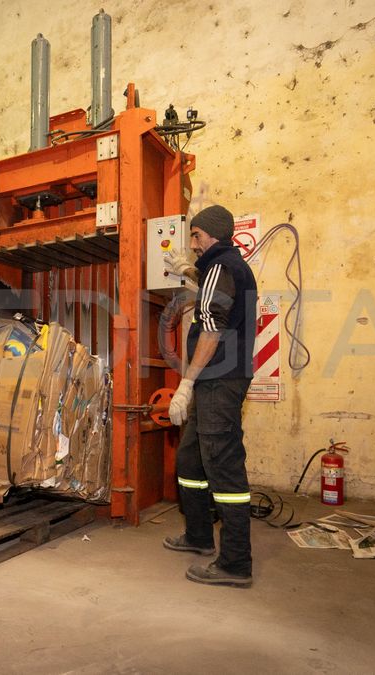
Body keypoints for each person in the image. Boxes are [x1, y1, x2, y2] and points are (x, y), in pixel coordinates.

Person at [162, 204, 257, 588]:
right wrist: (186, 270)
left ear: (212, 235)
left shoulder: (222, 267)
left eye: (196, 236)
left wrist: (186, 383)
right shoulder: (227, 267)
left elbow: (212, 330)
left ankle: (235, 563)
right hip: (214, 381)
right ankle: (199, 535)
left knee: (223, 466)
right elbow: (211, 287)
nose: (193, 244)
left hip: (219, 379)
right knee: (191, 458)